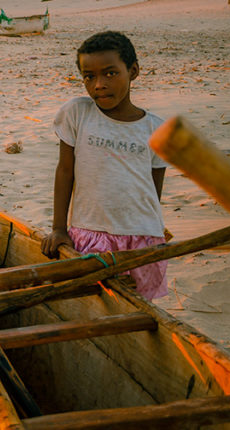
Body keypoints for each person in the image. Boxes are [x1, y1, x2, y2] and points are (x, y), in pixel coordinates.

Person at [41, 31, 169, 299]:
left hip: (141, 240)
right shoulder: (77, 113)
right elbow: (65, 172)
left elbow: (153, 191)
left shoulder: (156, 130)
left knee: (140, 307)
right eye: (89, 77)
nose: (99, 84)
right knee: (91, 303)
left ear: (133, 71)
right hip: (90, 235)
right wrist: (59, 228)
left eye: (110, 74)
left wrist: (154, 234)